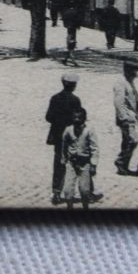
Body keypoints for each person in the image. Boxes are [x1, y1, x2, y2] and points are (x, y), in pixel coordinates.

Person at [45, 72, 83, 204]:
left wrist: (58, 121)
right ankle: (76, 191)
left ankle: (56, 191)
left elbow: (48, 117)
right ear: (73, 86)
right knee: (74, 162)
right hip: (72, 136)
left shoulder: (55, 98)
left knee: (58, 164)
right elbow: (80, 119)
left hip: (58, 136)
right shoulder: (75, 100)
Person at [58, 106, 100, 209]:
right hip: (71, 163)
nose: (77, 120)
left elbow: (94, 148)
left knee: (84, 190)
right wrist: (63, 159)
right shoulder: (68, 130)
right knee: (68, 190)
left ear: (84, 119)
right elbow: (64, 145)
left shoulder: (89, 131)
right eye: (75, 118)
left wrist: (93, 165)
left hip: (85, 164)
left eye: (79, 118)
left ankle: (85, 208)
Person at [111, 60, 138, 174]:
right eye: (134, 71)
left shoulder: (130, 81)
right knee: (132, 140)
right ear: (127, 70)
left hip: (132, 116)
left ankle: (123, 166)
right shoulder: (120, 83)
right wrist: (123, 118)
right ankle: (121, 161)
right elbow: (118, 103)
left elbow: (135, 97)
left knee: (127, 141)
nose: (136, 74)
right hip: (126, 118)